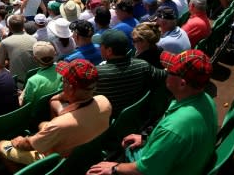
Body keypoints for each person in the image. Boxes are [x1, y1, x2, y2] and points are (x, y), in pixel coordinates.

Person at [86, 49, 218, 175]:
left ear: (182, 84)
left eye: (170, 70)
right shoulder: (205, 99)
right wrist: (147, 139)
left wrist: (115, 168)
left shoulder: (174, 129)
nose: (165, 71)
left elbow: (145, 171)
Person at [0, 59, 111, 170]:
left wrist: (19, 141)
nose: (62, 82)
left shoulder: (59, 125)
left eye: (63, 80)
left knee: (0, 146)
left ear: (70, 88)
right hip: (84, 150)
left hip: (58, 160)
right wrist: (66, 94)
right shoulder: (104, 101)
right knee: (42, 124)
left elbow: (28, 145)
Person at [95, 29, 165, 118]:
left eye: (101, 45)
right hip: (135, 118)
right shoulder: (142, 65)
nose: (98, 48)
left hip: (110, 122)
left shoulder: (97, 74)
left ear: (109, 51)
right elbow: (164, 75)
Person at [0, 15, 38, 87]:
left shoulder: (5, 42)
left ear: (10, 28)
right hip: (34, 80)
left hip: (18, 83)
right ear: (23, 26)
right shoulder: (34, 39)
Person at [20, 41, 62, 106]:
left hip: (37, 115)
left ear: (35, 59)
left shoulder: (32, 81)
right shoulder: (62, 69)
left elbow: (27, 104)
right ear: (54, 55)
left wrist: (22, 96)